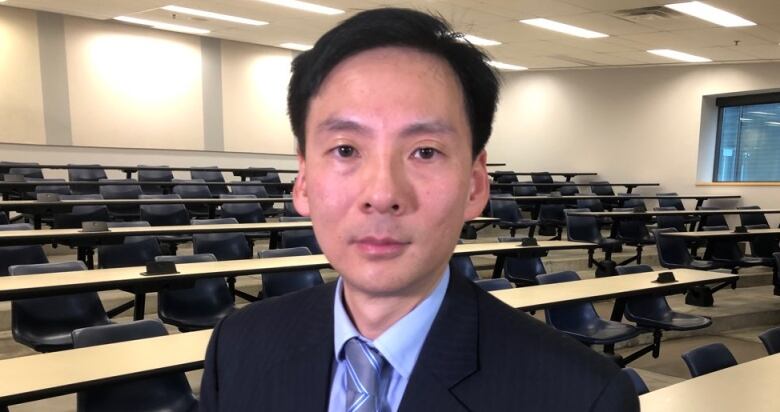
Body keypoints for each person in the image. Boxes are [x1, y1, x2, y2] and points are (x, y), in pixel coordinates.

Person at [200, 7, 639, 411]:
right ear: (303, 180)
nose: (383, 192)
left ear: (474, 183)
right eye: (346, 148)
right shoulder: (238, 346)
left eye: (425, 152)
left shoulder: (580, 397)